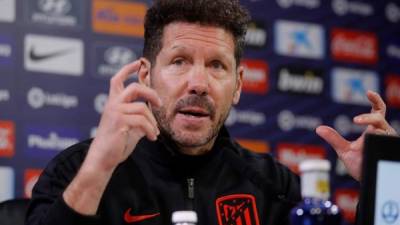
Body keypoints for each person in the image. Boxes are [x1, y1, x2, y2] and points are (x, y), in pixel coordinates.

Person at [26, 0, 398, 225]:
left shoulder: (275, 188)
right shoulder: (76, 171)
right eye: (179, 61)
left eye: (217, 66)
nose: (198, 83)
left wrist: (385, 182)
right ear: (146, 75)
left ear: (237, 85)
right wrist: (98, 170)